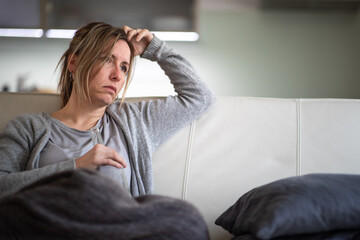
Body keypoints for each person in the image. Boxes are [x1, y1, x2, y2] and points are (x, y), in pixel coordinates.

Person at [0, 22, 215, 238]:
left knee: (188, 219)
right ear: (73, 63)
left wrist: (155, 49)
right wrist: (75, 167)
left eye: (124, 67)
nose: (117, 75)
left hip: (119, 229)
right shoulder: (27, 127)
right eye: (107, 59)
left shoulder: (135, 121)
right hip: (52, 228)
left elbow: (200, 97)